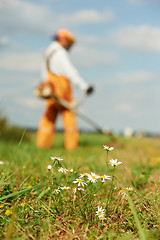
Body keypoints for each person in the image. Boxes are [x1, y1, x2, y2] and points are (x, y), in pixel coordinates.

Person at [36, 29, 94, 150]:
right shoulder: (60, 53)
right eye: (69, 43)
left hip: (50, 89)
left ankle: (43, 145)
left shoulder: (47, 51)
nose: (69, 46)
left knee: (48, 117)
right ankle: (71, 147)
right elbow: (70, 71)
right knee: (69, 116)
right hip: (62, 91)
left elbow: (44, 73)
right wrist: (84, 86)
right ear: (63, 40)